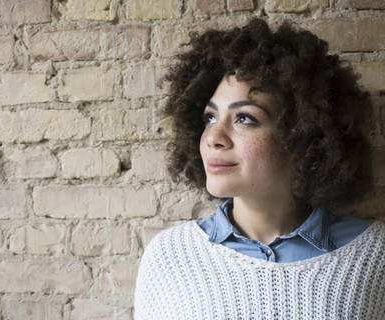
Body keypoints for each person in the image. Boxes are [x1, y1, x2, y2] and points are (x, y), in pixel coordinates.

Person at [134, 18, 385, 319]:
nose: (213, 138)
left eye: (244, 118)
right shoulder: (169, 256)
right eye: (209, 118)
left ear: (303, 134)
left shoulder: (375, 255)